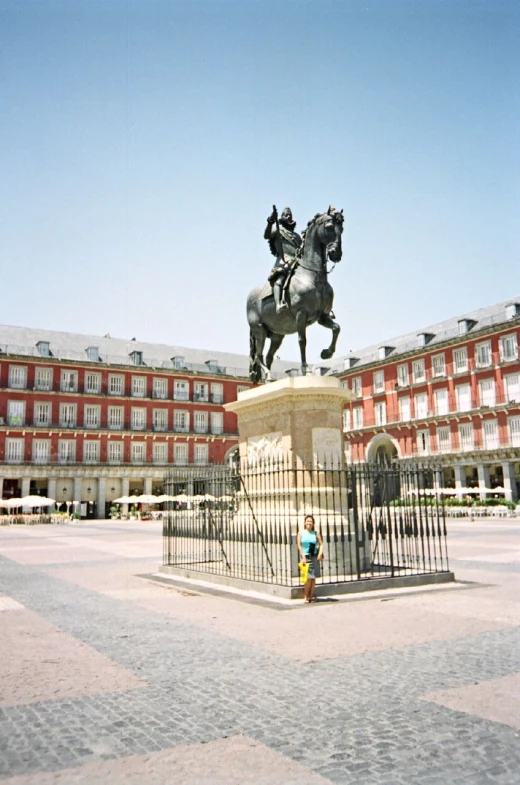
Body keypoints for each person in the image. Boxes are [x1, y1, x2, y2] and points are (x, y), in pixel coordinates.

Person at [264, 206, 302, 313]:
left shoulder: (297, 236)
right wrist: (270, 221)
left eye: (290, 215)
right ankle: (278, 304)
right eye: (286, 214)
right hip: (283, 261)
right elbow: (266, 235)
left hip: (297, 263)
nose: (288, 216)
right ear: (281, 217)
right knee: (280, 280)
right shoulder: (278, 230)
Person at [297, 514, 324, 603]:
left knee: (313, 578)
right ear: (305, 523)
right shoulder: (301, 533)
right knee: (307, 578)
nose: (309, 523)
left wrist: (320, 553)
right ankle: (306, 596)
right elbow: (299, 545)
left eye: (311, 521)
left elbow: (321, 544)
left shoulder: (316, 533)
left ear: (313, 523)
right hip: (306, 557)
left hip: (314, 557)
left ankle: (311, 596)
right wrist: (303, 556)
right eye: (307, 521)